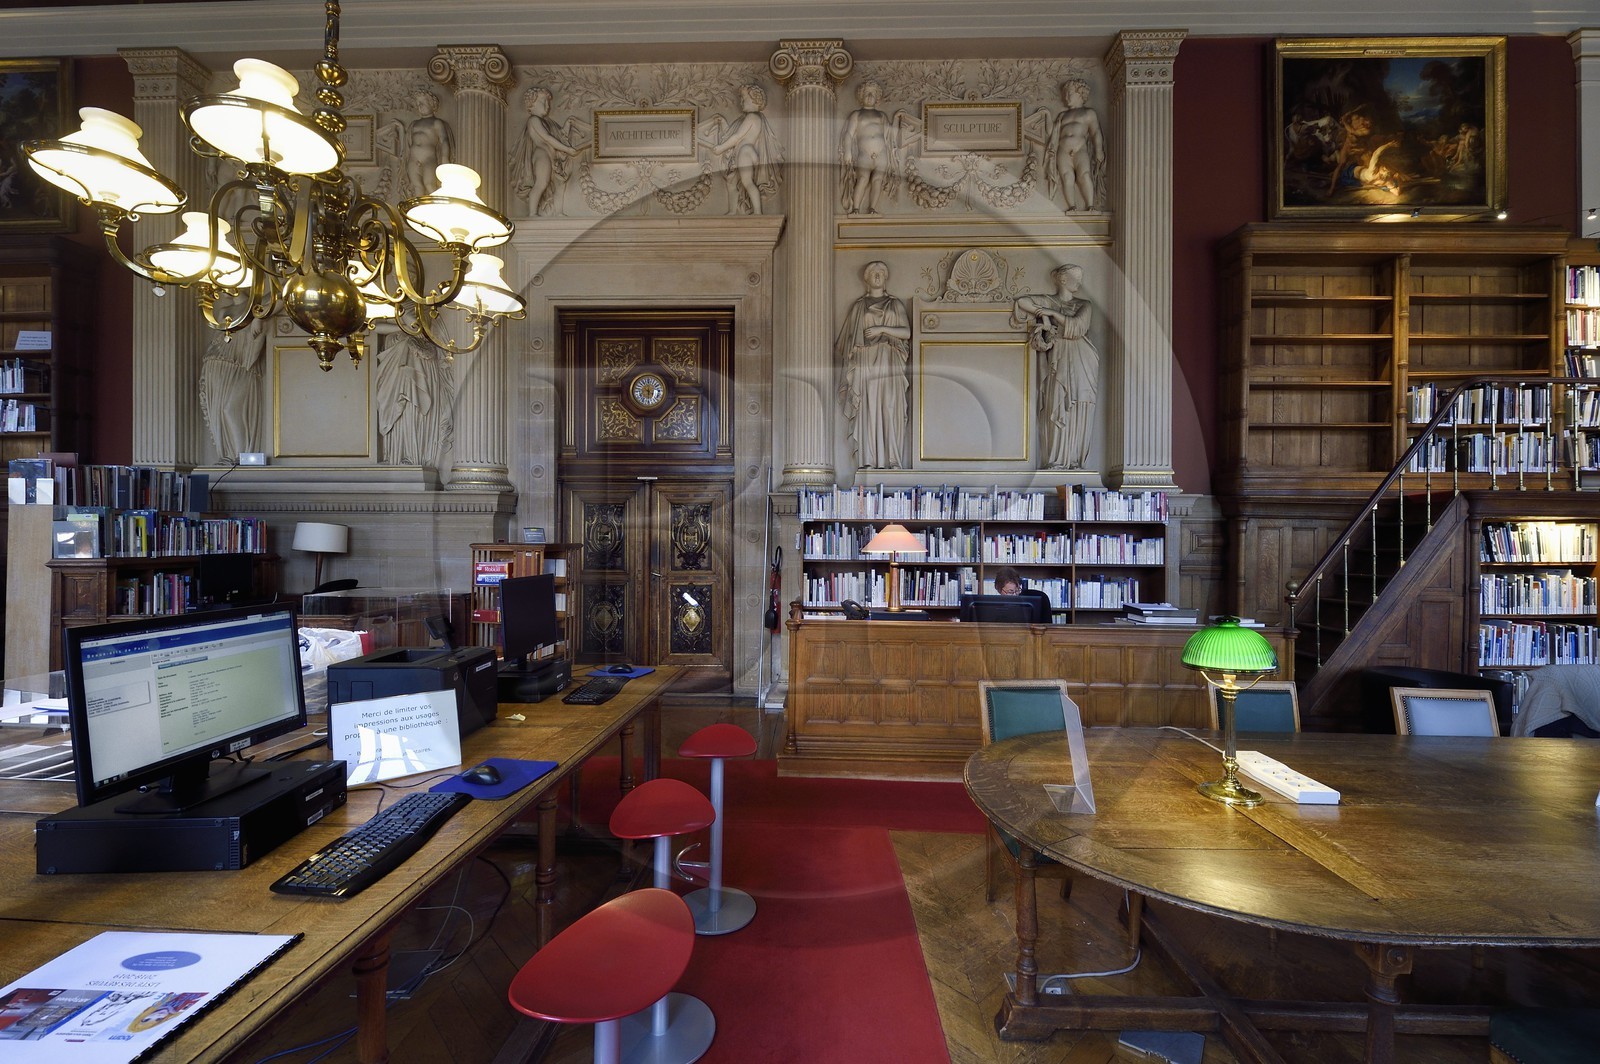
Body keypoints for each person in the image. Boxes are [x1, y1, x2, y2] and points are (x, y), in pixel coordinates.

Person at [1015, 263, 1099, 470]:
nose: (1079, 282)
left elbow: (1078, 327)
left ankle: (1074, 461)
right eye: (1075, 277)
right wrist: (1043, 311)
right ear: (1062, 279)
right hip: (1059, 358)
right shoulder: (1048, 300)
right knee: (1056, 403)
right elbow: (1022, 301)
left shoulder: (1084, 304)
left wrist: (1051, 313)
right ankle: (1056, 460)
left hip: (1082, 358)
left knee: (1079, 404)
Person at [836, 260, 912, 469]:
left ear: (885, 277)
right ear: (866, 278)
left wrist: (881, 329)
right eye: (873, 272)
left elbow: (906, 333)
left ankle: (893, 460)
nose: (878, 275)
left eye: (881, 272)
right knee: (868, 410)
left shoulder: (895, 304)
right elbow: (850, 342)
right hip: (866, 363)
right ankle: (867, 461)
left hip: (889, 362)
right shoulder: (859, 307)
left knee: (890, 408)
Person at [198, 314, 270, 462]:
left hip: (242, 367)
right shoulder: (224, 310)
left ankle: (241, 455)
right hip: (218, 368)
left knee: (230, 409)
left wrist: (258, 317)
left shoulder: (256, 305)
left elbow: (282, 297)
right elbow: (217, 341)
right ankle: (229, 457)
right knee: (220, 412)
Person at [375, 331, 453, 467]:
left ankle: (412, 456)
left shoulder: (425, 338)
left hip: (422, 366)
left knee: (415, 411)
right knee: (402, 412)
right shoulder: (395, 338)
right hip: (399, 371)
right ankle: (400, 455)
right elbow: (376, 326)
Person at [709, 84, 783, 215]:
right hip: (743, 152)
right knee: (731, 180)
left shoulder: (752, 117)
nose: (741, 102)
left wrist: (721, 148)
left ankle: (758, 212)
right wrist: (723, 122)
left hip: (745, 152)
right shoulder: (749, 118)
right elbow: (733, 133)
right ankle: (732, 211)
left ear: (755, 99)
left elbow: (737, 137)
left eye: (744, 98)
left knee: (747, 182)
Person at [509, 87, 580, 217]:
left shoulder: (547, 122)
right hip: (542, 154)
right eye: (543, 102)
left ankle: (559, 212)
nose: (547, 106)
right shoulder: (534, 120)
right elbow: (547, 137)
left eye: (548, 102)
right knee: (541, 183)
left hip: (552, 156)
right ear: (531, 103)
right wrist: (567, 149)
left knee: (560, 183)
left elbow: (559, 135)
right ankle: (532, 213)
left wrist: (567, 125)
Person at [1046, 80, 1104, 212]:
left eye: (1069, 93)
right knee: (1067, 177)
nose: (1066, 97)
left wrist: (1099, 150)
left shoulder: (1088, 113)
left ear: (1080, 94)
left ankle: (1090, 206)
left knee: (1084, 175)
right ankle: (1072, 206)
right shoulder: (1062, 115)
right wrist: (1046, 115)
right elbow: (1052, 133)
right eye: (1065, 94)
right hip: (1063, 150)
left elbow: (1095, 132)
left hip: (1080, 149)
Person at [840, 81, 893, 215]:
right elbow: (848, 134)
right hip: (864, 154)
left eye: (873, 94)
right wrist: (847, 152)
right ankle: (856, 208)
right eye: (866, 93)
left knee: (878, 180)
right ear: (861, 96)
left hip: (881, 154)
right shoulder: (856, 114)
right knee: (862, 178)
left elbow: (889, 136)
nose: (869, 96)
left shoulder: (882, 115)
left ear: (877, 97)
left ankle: (872, 209)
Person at [407, 90, 453, 195]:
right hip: (413, 160)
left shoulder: (436, 123)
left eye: (423, 103)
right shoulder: (414, 123)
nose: (420, 106)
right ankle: (417, 210)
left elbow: (444, 140)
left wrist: (445, 158)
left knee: (429, 184)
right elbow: (409, 143)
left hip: (429, 160)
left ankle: (440, 207)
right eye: (418, 103)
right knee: (417, 187)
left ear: (432, 104)